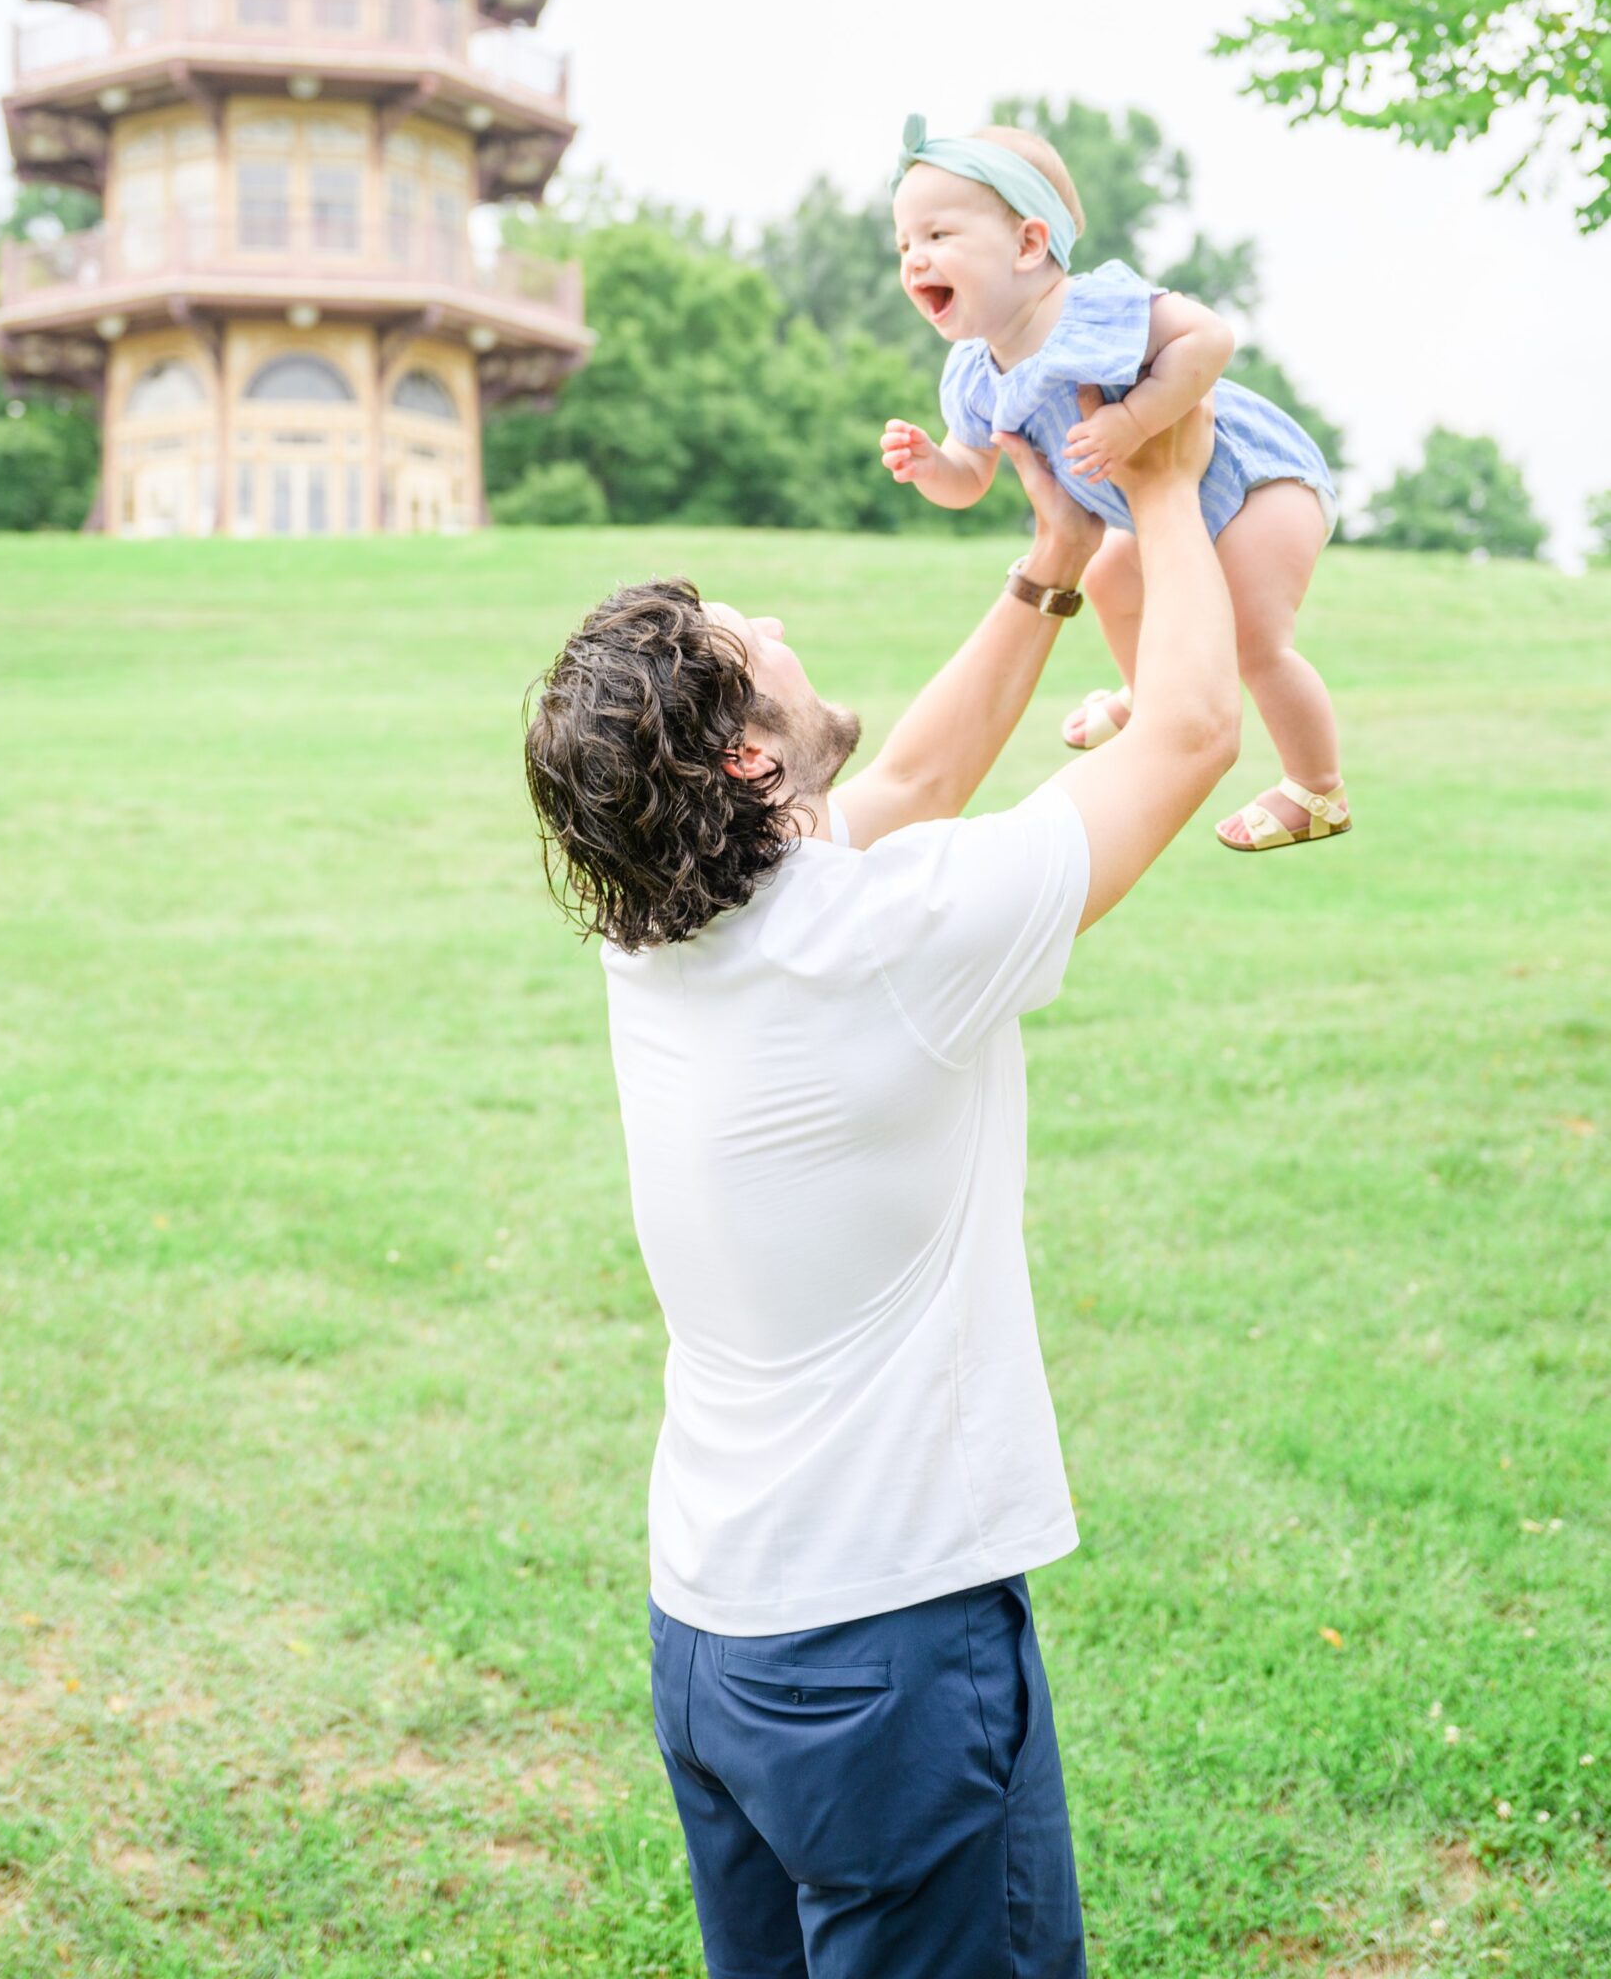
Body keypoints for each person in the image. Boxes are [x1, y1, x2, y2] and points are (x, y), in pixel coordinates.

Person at [524, 396, 1242, 1978]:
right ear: (747, 752)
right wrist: (1169, 485)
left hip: (713, 1638)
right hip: (883, 1652)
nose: (774, 620)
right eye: (745, 635)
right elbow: (1188, 731)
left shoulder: (658, 927)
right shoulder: (882, 943)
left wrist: (1049, 569)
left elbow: (907, 777)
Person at [881, 114, 1350, 853]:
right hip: (1159, 510)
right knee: (1108, 581)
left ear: (1029, 245)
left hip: (1257, 487)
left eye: (937, 237)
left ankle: (1316, 788)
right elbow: (971, 475)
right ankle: (1147, 693)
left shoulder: (1090, 308)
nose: (913, 259)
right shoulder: (973, 370)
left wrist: (1131, 422)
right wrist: (929, 467)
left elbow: (1209, 339)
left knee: (1255, 642)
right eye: (904, 243)